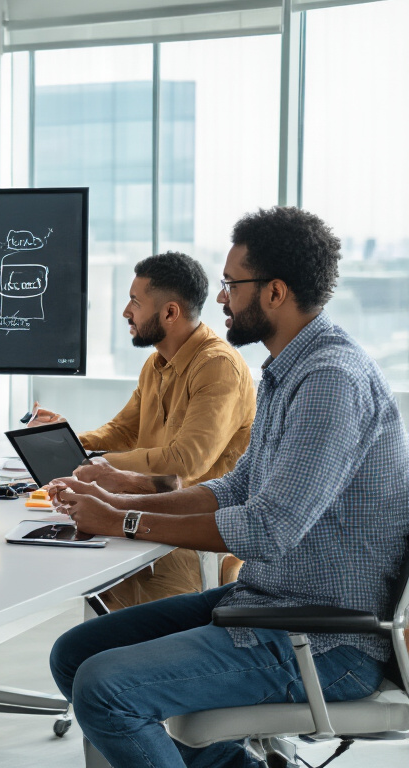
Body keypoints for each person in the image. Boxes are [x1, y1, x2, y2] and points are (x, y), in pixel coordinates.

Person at [48, 207, 409, 768]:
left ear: (275, 293)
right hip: (270, 604)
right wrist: (122, 501)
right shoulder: (290, 369)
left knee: (102, 686)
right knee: (77, 652)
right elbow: (236, 487)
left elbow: (268, 529)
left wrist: (124, 521)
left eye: (230, 285)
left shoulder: (329, 381)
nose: (220, 299)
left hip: (326, 640)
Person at [31, 251, 256, 608]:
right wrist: (69, 440)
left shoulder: (217, 366)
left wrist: (107, 465)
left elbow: (187, 461)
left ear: (169, 312)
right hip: (141, 511)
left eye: (135, 302)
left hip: (186, 535)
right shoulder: (156, 364)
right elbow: (122, 430)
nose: (126, 312)